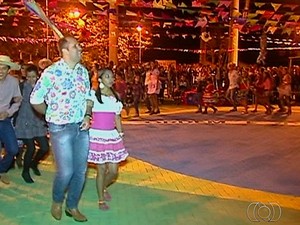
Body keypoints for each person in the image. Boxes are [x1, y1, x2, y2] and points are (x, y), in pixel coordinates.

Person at [30, 35, 93, 222]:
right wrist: (50, 115)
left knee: (80, 171)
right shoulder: (51, 73)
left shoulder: (83, 72)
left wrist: (88, 115)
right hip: (60, 128)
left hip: (81, 128)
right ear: (65, 51)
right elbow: (35, 99)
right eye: (76, 46)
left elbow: (89, 96)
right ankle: (57, 201)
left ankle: (72, 206)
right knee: (66, 171)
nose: (80, 49)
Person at [88, 69, 128, 211]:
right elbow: (87, 110)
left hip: (111, 136)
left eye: (112, 77)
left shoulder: (116, 96)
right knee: (101, 169)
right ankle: (100, 199)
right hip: (97, 136)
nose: (111, 79)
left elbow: (117, 117)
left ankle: (103, 186)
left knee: (113, 171)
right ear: (100, 79)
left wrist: (120, 133)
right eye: (107, 76)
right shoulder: (93, 94)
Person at [14, 65, 49, 183]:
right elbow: (14, 99)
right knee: (31, 148)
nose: (31, 79)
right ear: (25, 76)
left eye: (33, 76)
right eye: (29, 77)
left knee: (44, 147)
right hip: (24, 120)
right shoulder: (22, 86)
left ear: (38, 76)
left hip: (38, 120)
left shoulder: (42, 86)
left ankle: (34, 163)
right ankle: (25, 171)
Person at [0, 55, 22, 185]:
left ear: (9, 70)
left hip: (4, 119)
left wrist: (8, 112)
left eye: (4, 68)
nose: (0, 71)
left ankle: (2, 169)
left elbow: (18, 100)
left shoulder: (13, 82)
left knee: (13, 149)